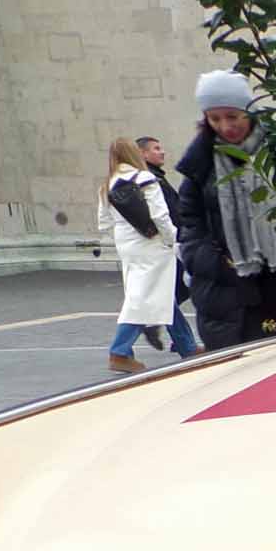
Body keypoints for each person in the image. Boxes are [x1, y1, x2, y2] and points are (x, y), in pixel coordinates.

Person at [175, 70, 276, 350]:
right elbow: (189, 222)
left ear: (249, 111)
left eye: (232, 116)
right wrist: (212, 261)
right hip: (228, 291)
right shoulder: (200, 165)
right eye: (215, 118)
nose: (225, 126)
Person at [97, 136, 199, 373]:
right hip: (151, 245)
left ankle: (187, 345)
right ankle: (119, 351)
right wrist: (173, 239)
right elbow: (160, 216)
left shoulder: (107, 184)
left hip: (127, 246)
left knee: (159, 294)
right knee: (143, 297)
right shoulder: (144, 178)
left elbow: (104, 223)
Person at [135, 135, 184, 351]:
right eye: (156, 148)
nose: (162, 151)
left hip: (172, 238)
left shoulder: (156, 176)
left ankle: (174, 336)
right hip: (169, 240)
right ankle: (179, 340)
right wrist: (173, 238)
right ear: (143, 154)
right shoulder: (149, 179)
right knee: (172, 289)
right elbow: (162, 214)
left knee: (175, 289)